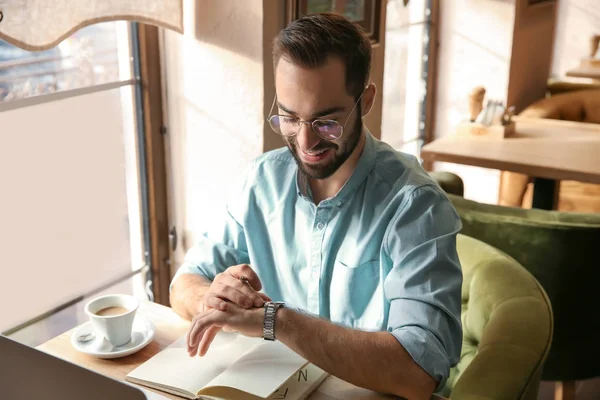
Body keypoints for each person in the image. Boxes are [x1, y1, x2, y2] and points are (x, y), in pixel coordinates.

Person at [170, 12, 462, 400]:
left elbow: (419, 372)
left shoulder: (416, 206)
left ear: (366, 101)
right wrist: (215, 300)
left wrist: (278, 322)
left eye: (326, 122)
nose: (305, 142)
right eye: (290, 118)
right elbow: (184, 283)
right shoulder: (261, 181)